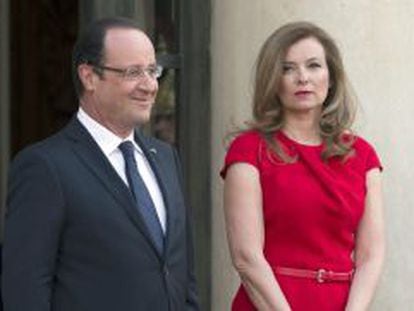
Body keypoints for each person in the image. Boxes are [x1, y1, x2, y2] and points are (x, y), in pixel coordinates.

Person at [2, 17, 199, 311]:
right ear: (89, 76)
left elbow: (182, 276)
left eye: (152, 70)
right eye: (133, 72)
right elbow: (25, 290)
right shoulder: (45, 167)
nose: (150, 85)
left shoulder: (166, 158)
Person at [221, 21, 384, 311]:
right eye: (287, 68)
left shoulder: (362, 155)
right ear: (273, 79)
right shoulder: (248, 151)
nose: (302, 78)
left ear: (331, 77)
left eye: (313, 66)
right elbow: (246, 257)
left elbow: (371, 255)